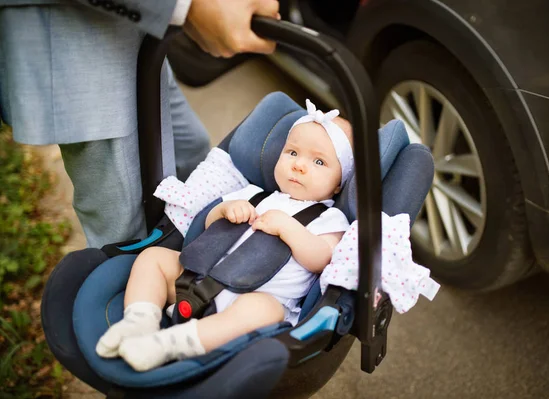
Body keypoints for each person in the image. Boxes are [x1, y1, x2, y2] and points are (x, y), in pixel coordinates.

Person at [95, 100, 354, 372]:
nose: (299, 165)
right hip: (195, 279)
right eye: (292, 152)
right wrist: (226, 209)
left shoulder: (331, 219)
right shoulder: (253, 194)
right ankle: (139, 320)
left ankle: (170, 343)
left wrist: (289, 228)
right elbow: (206, 223)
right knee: (153, 258)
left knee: (265, 310)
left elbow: (322, 258)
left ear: (339, 183)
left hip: (251, 301)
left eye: (318, 161)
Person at [0, 0, 280, 248]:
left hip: (139, 32)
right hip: (76, 29)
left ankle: (190, 249)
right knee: (126, 228)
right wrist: (189, 5)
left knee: (190, 150)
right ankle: (132, 298)